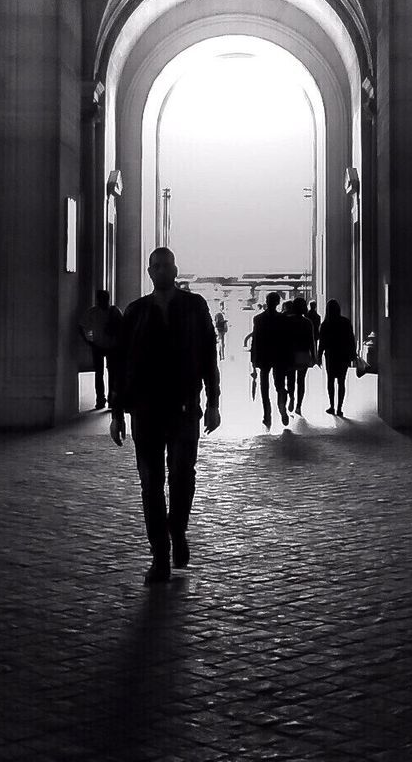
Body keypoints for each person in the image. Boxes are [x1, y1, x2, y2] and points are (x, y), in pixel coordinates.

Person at [109, 248, 221, 584]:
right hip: (145, 411)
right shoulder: (136, 311)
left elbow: (207, 354)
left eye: (166, 266)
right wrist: (117, 412)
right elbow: (120, 363)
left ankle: (178, 529)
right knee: (151, 484)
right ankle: (160, 553)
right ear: (149, 271)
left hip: (185, 406)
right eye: (155, 266)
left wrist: (213, 401)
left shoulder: (194, 306)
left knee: (183, 475)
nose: (161, 271)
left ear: (174, 269)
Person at [248, 292, 291, 428]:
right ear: (278, 303)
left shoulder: (258, 319)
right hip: (279, 356)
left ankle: (267, 414)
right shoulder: (283, 319)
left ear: (266, 301)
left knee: (264, 387)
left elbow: (256, 340)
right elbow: (286, 340)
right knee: (279, 385)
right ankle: (282, 407)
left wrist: (253, 359)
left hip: (264, 356)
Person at [80, 288, 122, 409]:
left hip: (100, 345)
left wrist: (88, 341)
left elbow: (81, 326)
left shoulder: (93, 312)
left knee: (102, 374)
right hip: (108, 345)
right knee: (109, 374)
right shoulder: (114, 311)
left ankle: (102, 399)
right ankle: (108, 399)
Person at [318, 299, 357, 417]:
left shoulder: (325, 324)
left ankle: (332, 406)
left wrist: (319, 356)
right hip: (343, 355)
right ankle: (340, 408)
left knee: (330, 381)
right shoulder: (345, 322)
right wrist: (352, 354)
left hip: (331, 356)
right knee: (341, 382)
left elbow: (322, 343)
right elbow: (351, 339)